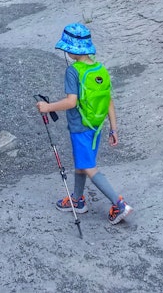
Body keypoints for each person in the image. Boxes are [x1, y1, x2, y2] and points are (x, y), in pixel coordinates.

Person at [36, 22, 133, 225]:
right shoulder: (100, 69)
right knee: (82, 163)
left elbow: (71, 102)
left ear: (70, 49)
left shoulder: (74, 71)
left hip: (80, 127)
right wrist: (113, 128)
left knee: (89, 166)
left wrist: (48, 107)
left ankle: (119, 204)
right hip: (96, 126)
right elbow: (109, 101)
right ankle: (78, 200)